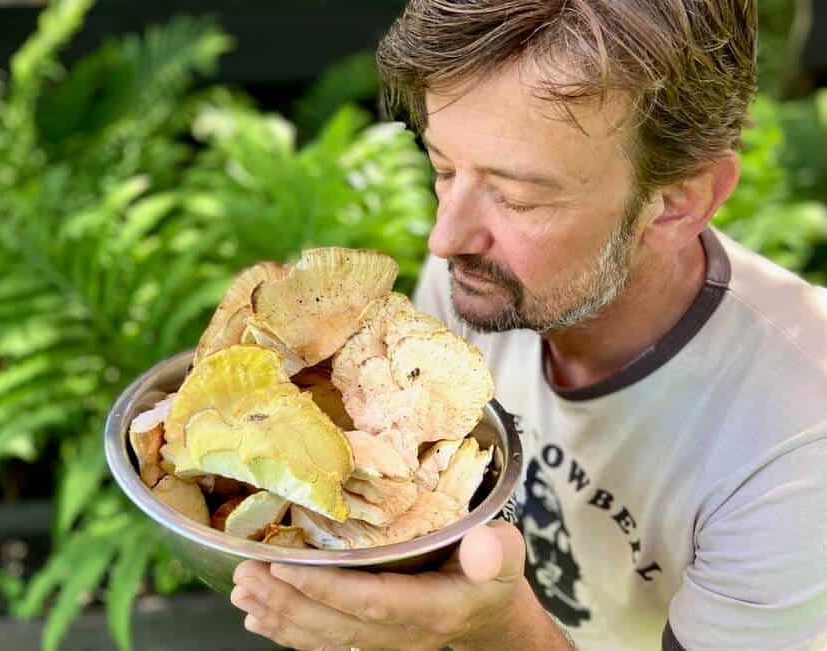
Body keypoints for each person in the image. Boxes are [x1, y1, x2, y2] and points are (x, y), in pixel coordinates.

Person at [229, 1, 827, 649]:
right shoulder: (485, 275)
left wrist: (497, 628)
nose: (445, 237)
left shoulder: (794, 446)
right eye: (443, 169)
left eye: (516, 197)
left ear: (678, 203)